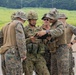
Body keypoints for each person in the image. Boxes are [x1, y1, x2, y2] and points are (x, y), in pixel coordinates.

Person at [37, 8, 70, 75]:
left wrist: (46, 32)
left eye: (50, 18)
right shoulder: (53, 25)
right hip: (54, 51)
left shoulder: (59, 24)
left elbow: (59, 31)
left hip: (61, 51)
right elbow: (52, 36)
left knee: (62, 70)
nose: (49, 20)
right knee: (54, 71)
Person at [22, 10, 50, 75]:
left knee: (45, 73)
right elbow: (21, 42)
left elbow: (44, 42)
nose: (34, 21)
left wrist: (47, 39)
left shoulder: (39, 29)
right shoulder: (24, 30)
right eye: (33, 20)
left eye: (35, 20)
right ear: (29, 20)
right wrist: (30, 40)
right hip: (29, 56)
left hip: (39, 55)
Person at [0, 11, 27, 75]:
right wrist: (23, 54)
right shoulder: (18, 24)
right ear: (21, 19)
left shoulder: (5, 26)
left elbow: (0, 40)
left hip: (4, 53)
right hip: (13, 54)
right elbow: (21, 40)